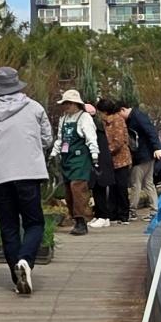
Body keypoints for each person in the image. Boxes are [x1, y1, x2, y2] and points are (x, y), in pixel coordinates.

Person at [0, 66, 53, 297]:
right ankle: (25, 261)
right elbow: (47, 138)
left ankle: (17, 276)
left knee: (8, 226)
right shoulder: (34, 108)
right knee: (34, 223)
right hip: (28, 172)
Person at [51, 91, 98, 236]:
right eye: (65, 103)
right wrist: (54, 152)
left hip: (81, 159)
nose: (66, 106)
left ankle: (81, 220)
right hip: (67, 158)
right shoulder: (64, 119)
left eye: (69, 103)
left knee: (77, 188)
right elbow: (60, 138)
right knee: (68, 191)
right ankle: (74, 217)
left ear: (76, 104)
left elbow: (91, 137)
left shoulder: (84, 118)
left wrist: (94, 154)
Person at [119, 100, 161, 219]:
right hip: (148, 154)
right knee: (148, 183)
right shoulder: (137, 116)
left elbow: (150, 131)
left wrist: (156, 147)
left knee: (136, 183)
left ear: (123, 110)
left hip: (141, 155)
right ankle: (155, 209)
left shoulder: (136, 117)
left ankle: (132, 210)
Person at [96, 98, 133, 224]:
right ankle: (113, 213)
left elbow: (118, 141)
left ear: (104, 111)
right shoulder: (106, 122)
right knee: (112, 187)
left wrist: (106, 152)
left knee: (121, 187)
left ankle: (123, 214)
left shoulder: (117, 120)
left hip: (121, 159)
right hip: (111, 160)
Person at [86, 102, 115, 229]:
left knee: (100, 188)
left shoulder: (95, 128)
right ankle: (100, 215)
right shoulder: (98, 126)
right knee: (97, 189)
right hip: (100, 160)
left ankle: (103, 216)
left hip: (100, 161)